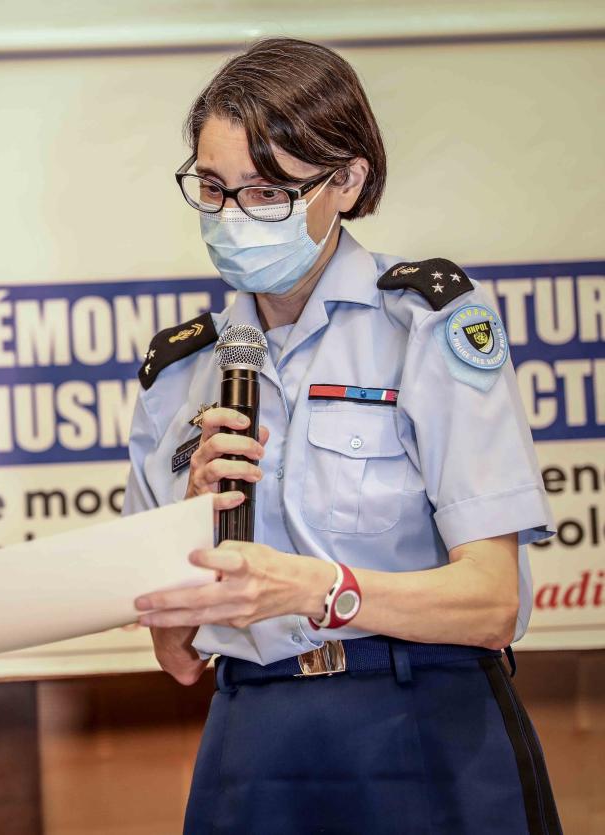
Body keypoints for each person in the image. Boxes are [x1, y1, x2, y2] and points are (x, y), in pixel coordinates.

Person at [124, 38, 561, 834]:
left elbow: (493, 601)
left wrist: (315, 588)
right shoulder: (180, 370)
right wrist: (190, 517)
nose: (232, 217)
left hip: (422, 717)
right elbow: (176, 654)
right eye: (213, 188)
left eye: (267, 192)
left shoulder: (425, 324)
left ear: (347, 181)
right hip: (252, 735)